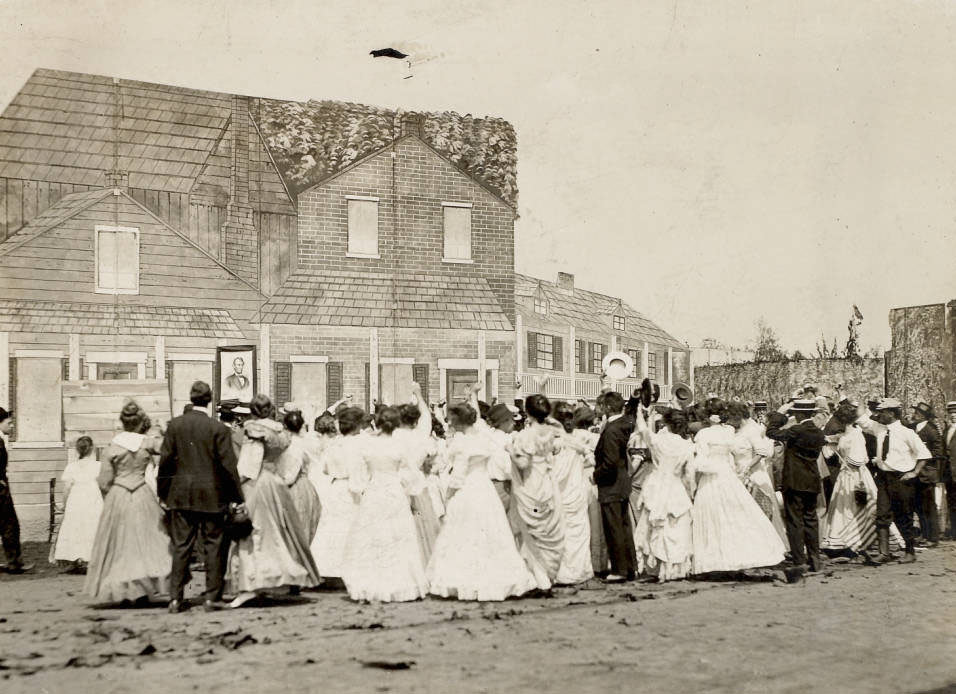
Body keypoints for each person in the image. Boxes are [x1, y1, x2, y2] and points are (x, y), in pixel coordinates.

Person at [427, 403, 538, 600]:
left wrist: (449, 495)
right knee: (491, 531)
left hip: (467, 490)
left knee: (464, 532)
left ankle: (465, 578)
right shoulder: (483, 439)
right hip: (484, 489)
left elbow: (458, 475)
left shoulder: (461, 444)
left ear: (459, 422)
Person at [227, 394, 320, 607]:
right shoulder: (279, 431)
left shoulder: (254, 430)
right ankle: (270, 578)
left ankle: (250, 584)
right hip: (275, 483)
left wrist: (236, 486)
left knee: (252, 535)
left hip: (257, 482)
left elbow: (250, 463)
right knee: (277, 535)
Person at [85, 403, 171, 605]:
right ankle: (144, 586)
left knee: (120, 544)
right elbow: (169, 452)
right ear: (141, 423)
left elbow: (104, 480)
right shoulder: (148, 443)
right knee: (148, 541)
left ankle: (123, 588)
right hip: (142, 492)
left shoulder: (113, 447)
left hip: (119, 494)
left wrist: (110, 497)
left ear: (123, 423)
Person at [341, 405, 428, 602]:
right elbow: (410, 473)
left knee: (373, 535)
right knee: (397, 535)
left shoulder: (368, 445)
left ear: (378, 423)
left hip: (374, 491)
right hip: (394, 492)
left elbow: (358, 475)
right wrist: (410, 491)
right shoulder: (399, 446)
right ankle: (399, 582)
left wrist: (360, 487)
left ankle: (370, 582)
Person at [691, 399, 785, 573]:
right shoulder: (729, 432)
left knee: (714, 516)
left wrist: (699, 468)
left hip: (713, 477)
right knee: (737, 515)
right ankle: (740, 554)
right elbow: (731, 456)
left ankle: (717, 559)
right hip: (729, 476)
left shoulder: (704, 435)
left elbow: (701, 461)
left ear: (709, 417)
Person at [509, 393, 566, 588]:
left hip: (531, 483)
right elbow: (559, 430)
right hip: (548, 483)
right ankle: (546, 574)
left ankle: (538, 578)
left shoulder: (525, 436)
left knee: (531, 532)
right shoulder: (551, 431)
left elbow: (523, 464)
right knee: (547, 530)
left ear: (527, 412)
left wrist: (510, 451)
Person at [631, 405, 694, 581]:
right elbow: (689, 474)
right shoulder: (686, 446)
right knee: (675, 526)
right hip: (675, 485)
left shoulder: (659, 441)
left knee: (653, 523)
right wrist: (690, 491)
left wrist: (640, 413)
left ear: (667, 424)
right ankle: (673, 568)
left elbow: (643, 430)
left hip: (657, 483)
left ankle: (656, 566)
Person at [766, 399, 827, 571]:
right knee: (811, 518)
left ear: (799, 414)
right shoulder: (818, 432)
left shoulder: (796, 430)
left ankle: (799, 560)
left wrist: (780, 414)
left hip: (794, 480)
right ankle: (815, 558)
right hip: (812, 479)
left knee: (794, 520)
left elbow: (771, 432)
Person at [870, 398, 933, 563]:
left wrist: (914, 472)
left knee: (903, 516)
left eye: (882, 412)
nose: (879, 415)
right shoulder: (880, 430)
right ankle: (884, 553)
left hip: (901, 479)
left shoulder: (907, 433)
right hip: (884, 478)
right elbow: (862, 419)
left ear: (891, 413)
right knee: (882, 514)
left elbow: (924, 454)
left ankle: (910, 552)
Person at [309, 407, 363, 581]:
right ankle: (347, 567)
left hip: (335, 487)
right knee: (350, 526)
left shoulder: (333, 445)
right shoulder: (357, 445)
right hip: (350, 487)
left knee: (331, 526)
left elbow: (324, 468)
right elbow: (358, 471)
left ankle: (325, 567)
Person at [394, 382, 441, 566]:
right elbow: (427, 418)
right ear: (415, 421)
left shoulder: (393, 436)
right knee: (423, 522)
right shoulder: (421, 436)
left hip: (399, 481)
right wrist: (419, 395)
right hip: (417, 481)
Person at [728, 401, 788, 548]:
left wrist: (747, 468)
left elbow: (762, 452)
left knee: (761, 510)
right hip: (739, 473)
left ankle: (769, 545)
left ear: (738, 416)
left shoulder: (752, 430)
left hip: (754, 475)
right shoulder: (738, 430)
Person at [591, 391, 637, 582]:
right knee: (624, 526)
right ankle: (629, 566)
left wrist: (595, 475)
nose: (598, 409)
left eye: (600, 406)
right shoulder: (624, 424)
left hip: (611, 485)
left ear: (608, 408)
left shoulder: (611, 430)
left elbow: (609, 462)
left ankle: (619, 570)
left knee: (614, 527)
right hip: (622, 483)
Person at [550, 402, 596, 585]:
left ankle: (561, 572)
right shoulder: (579, 440)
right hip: (576, 489)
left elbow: (553, 471)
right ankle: (578, 571)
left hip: (561, 492)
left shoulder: (554, 443)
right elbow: (591, 459)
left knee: (562, 532)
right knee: (578, 531)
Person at [52, 436, 104, 568]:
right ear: (92, 449)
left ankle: (74, 558)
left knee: (75, 526)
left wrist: (65, 504)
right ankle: (88, 558)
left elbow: (67, 488)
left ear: (77, 450)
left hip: (76, 500)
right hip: (93, 499)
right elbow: (103, 485)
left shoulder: (71, 467)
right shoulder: (98, 466)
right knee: (91, 526)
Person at [278, 409, 322, 545]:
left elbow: (290, 474)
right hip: (303, 484)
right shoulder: (306, 443)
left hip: (293, 485)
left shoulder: (289, 445)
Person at [0, 407, 31, 574]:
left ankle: (14, 562)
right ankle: (14, 563)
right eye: (9, 423)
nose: (11, 426)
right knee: (10, 526)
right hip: (1, 491)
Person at [908, 402, 943, 547]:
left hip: (927, 473)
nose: (914, 415)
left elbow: (938, 452)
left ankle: (933, 538)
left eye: (916, 413)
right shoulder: (914, 428)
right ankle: (924, 534)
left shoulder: (931, 430)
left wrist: (924, 458)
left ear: (923, 416)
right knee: (919, 506)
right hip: (917, 473)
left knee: (929, 506)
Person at [943, 402, 956, 540]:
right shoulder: (947, 430)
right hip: (950, 474)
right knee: (952, 502)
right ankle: (954, 531)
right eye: (951, 414)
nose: (954, 416)